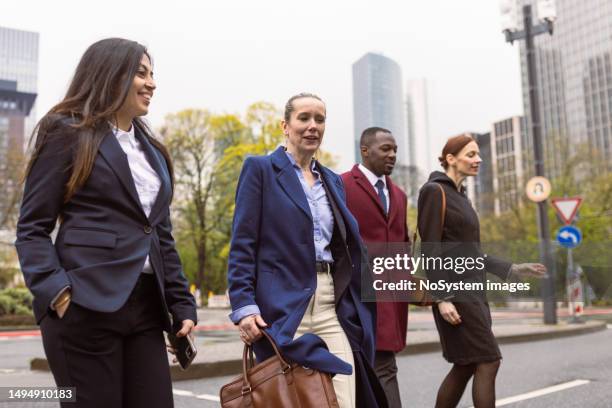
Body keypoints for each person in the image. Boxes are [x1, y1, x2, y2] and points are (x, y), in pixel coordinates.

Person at [15, 38, 197, 408]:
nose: (152, 83)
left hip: (146, 308)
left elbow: (160, 234)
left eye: (152, 74)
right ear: (111, 74)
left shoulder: (153, 151)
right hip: (84, 304)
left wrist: (181, 304)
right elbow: (32, 227)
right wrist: (58, 293)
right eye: (141, 73)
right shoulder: (67, 131)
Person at [227, 93, 387, 408]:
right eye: (304, 118)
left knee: (344, 397)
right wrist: (244, 305)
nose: (313, 126)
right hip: (282, 307)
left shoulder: (331, 180)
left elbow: (344, 247)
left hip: (330, 304)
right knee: (294, 400)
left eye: (320, 119)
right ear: (285, 126)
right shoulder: (260, 170)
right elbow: (243, 245)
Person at [417, 134, 546, 408]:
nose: (479, 159)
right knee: (489, 359)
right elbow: (429, 248)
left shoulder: (460, 196)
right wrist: (442, 298)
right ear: (451, 159)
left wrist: (511, 268)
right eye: (471, 154)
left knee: (466, 365)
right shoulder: (434, 191)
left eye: (478, 154)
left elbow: (470, 253)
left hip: (474, 292)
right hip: (456, 294)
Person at [341, 127, 409, 407]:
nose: (392, 155)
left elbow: (403, 243)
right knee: (380, 372)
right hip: (356, 302)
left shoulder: (401, 195)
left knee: (378, 372)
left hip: (391, 303)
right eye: (385, 149)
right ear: (365, 150)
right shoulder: (340, 184)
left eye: (394, 149)